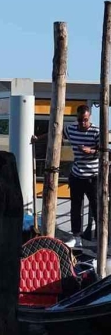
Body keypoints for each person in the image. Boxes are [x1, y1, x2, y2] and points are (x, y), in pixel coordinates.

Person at [65, 104, 101, 243]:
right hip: (76, 175)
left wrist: (90, 150)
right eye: (80, 120)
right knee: (75, 207)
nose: (83, 123)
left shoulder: (96, 131)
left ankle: (100, 237)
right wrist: (38, 138)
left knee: (96, 207)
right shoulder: (71, 129)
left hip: (93, 176)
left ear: (89, 117)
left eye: (85, 120)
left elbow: (104, 150)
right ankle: (76, 237)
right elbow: (55, 133)